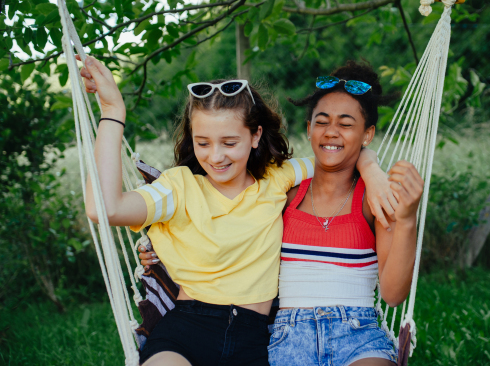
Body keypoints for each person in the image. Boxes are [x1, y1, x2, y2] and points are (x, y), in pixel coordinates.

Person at [79, 55, 396, 366]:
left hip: (255, 341)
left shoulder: (275, 178)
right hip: (186, 331)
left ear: (255, 135)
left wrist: (373, 172)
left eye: (229, 142)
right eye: (203, 143)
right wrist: (112, 111)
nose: (215, 157)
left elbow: (339, 153)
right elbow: (103, 208)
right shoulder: (179, 188)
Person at [269, 60, 424, 366]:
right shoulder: (285, 195)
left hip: (359, 336)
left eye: (346, 124)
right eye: (322, 121)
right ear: (309, 127)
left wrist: (406, 219)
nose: (331, 132)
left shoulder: (373, 200)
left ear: (367, 135)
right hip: (289, 338)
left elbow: (393, 294)